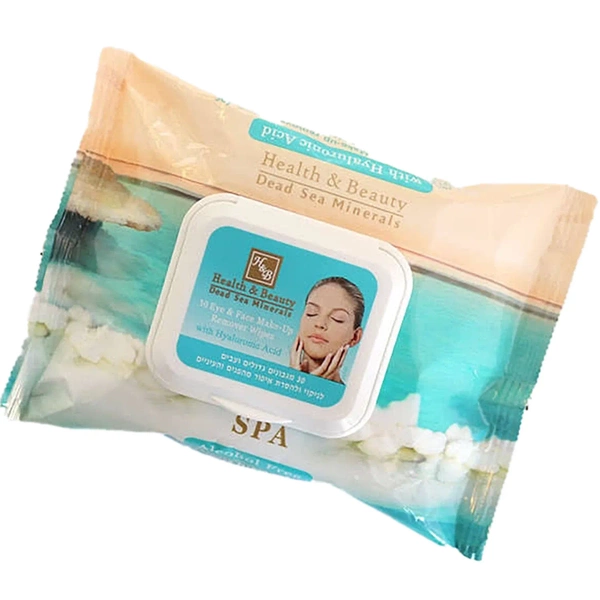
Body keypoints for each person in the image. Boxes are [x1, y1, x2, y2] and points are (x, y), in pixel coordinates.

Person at [290, 277, 364, 384]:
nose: (320, 324)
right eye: (311, 313)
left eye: (337, 318)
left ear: (355, 337)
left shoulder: (349, 393)